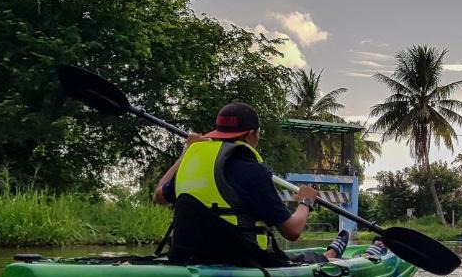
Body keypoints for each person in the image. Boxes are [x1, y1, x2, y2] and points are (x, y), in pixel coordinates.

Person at [153, 101, 386, 264]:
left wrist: (187, 153)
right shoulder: (252, 170)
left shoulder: (194, 163)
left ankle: (334, 251)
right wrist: (306, 201)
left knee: (294, 258)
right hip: (241, 260)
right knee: (308, 262)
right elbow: (292, 231)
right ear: (251, 135)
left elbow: (158, 196)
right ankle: (335, 256)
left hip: (187, 256)